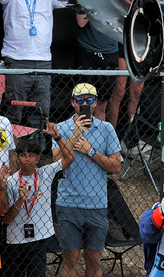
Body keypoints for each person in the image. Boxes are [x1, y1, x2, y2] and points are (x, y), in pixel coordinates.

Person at [51, 83, 122, 277]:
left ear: (96, 103)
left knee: (93, 259)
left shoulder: (106, 129)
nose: (85, 103)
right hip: (68, 203)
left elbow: (116, 167)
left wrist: (91, 151)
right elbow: (57, 161)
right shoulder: (61, 128)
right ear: (73, 102)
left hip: (96, 204)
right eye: (80, 100)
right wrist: (75, 133)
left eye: (89, 100)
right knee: (70, 259)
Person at [0, 0, 68, 124]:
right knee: (14, 111)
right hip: (17, 60)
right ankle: (13, 150)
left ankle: (38, 150)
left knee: (41, 113)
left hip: (43, 63)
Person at [3, 133, 73, 277]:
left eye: (31, 155)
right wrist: (20, 201)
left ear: (38, 159)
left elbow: (70, 158)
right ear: (17, 157)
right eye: (22, 155)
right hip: (16, 238)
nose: (27, 159)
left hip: (39, 237)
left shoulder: (45, 173)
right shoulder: (11, 182)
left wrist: (57, 137)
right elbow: (6, 219)